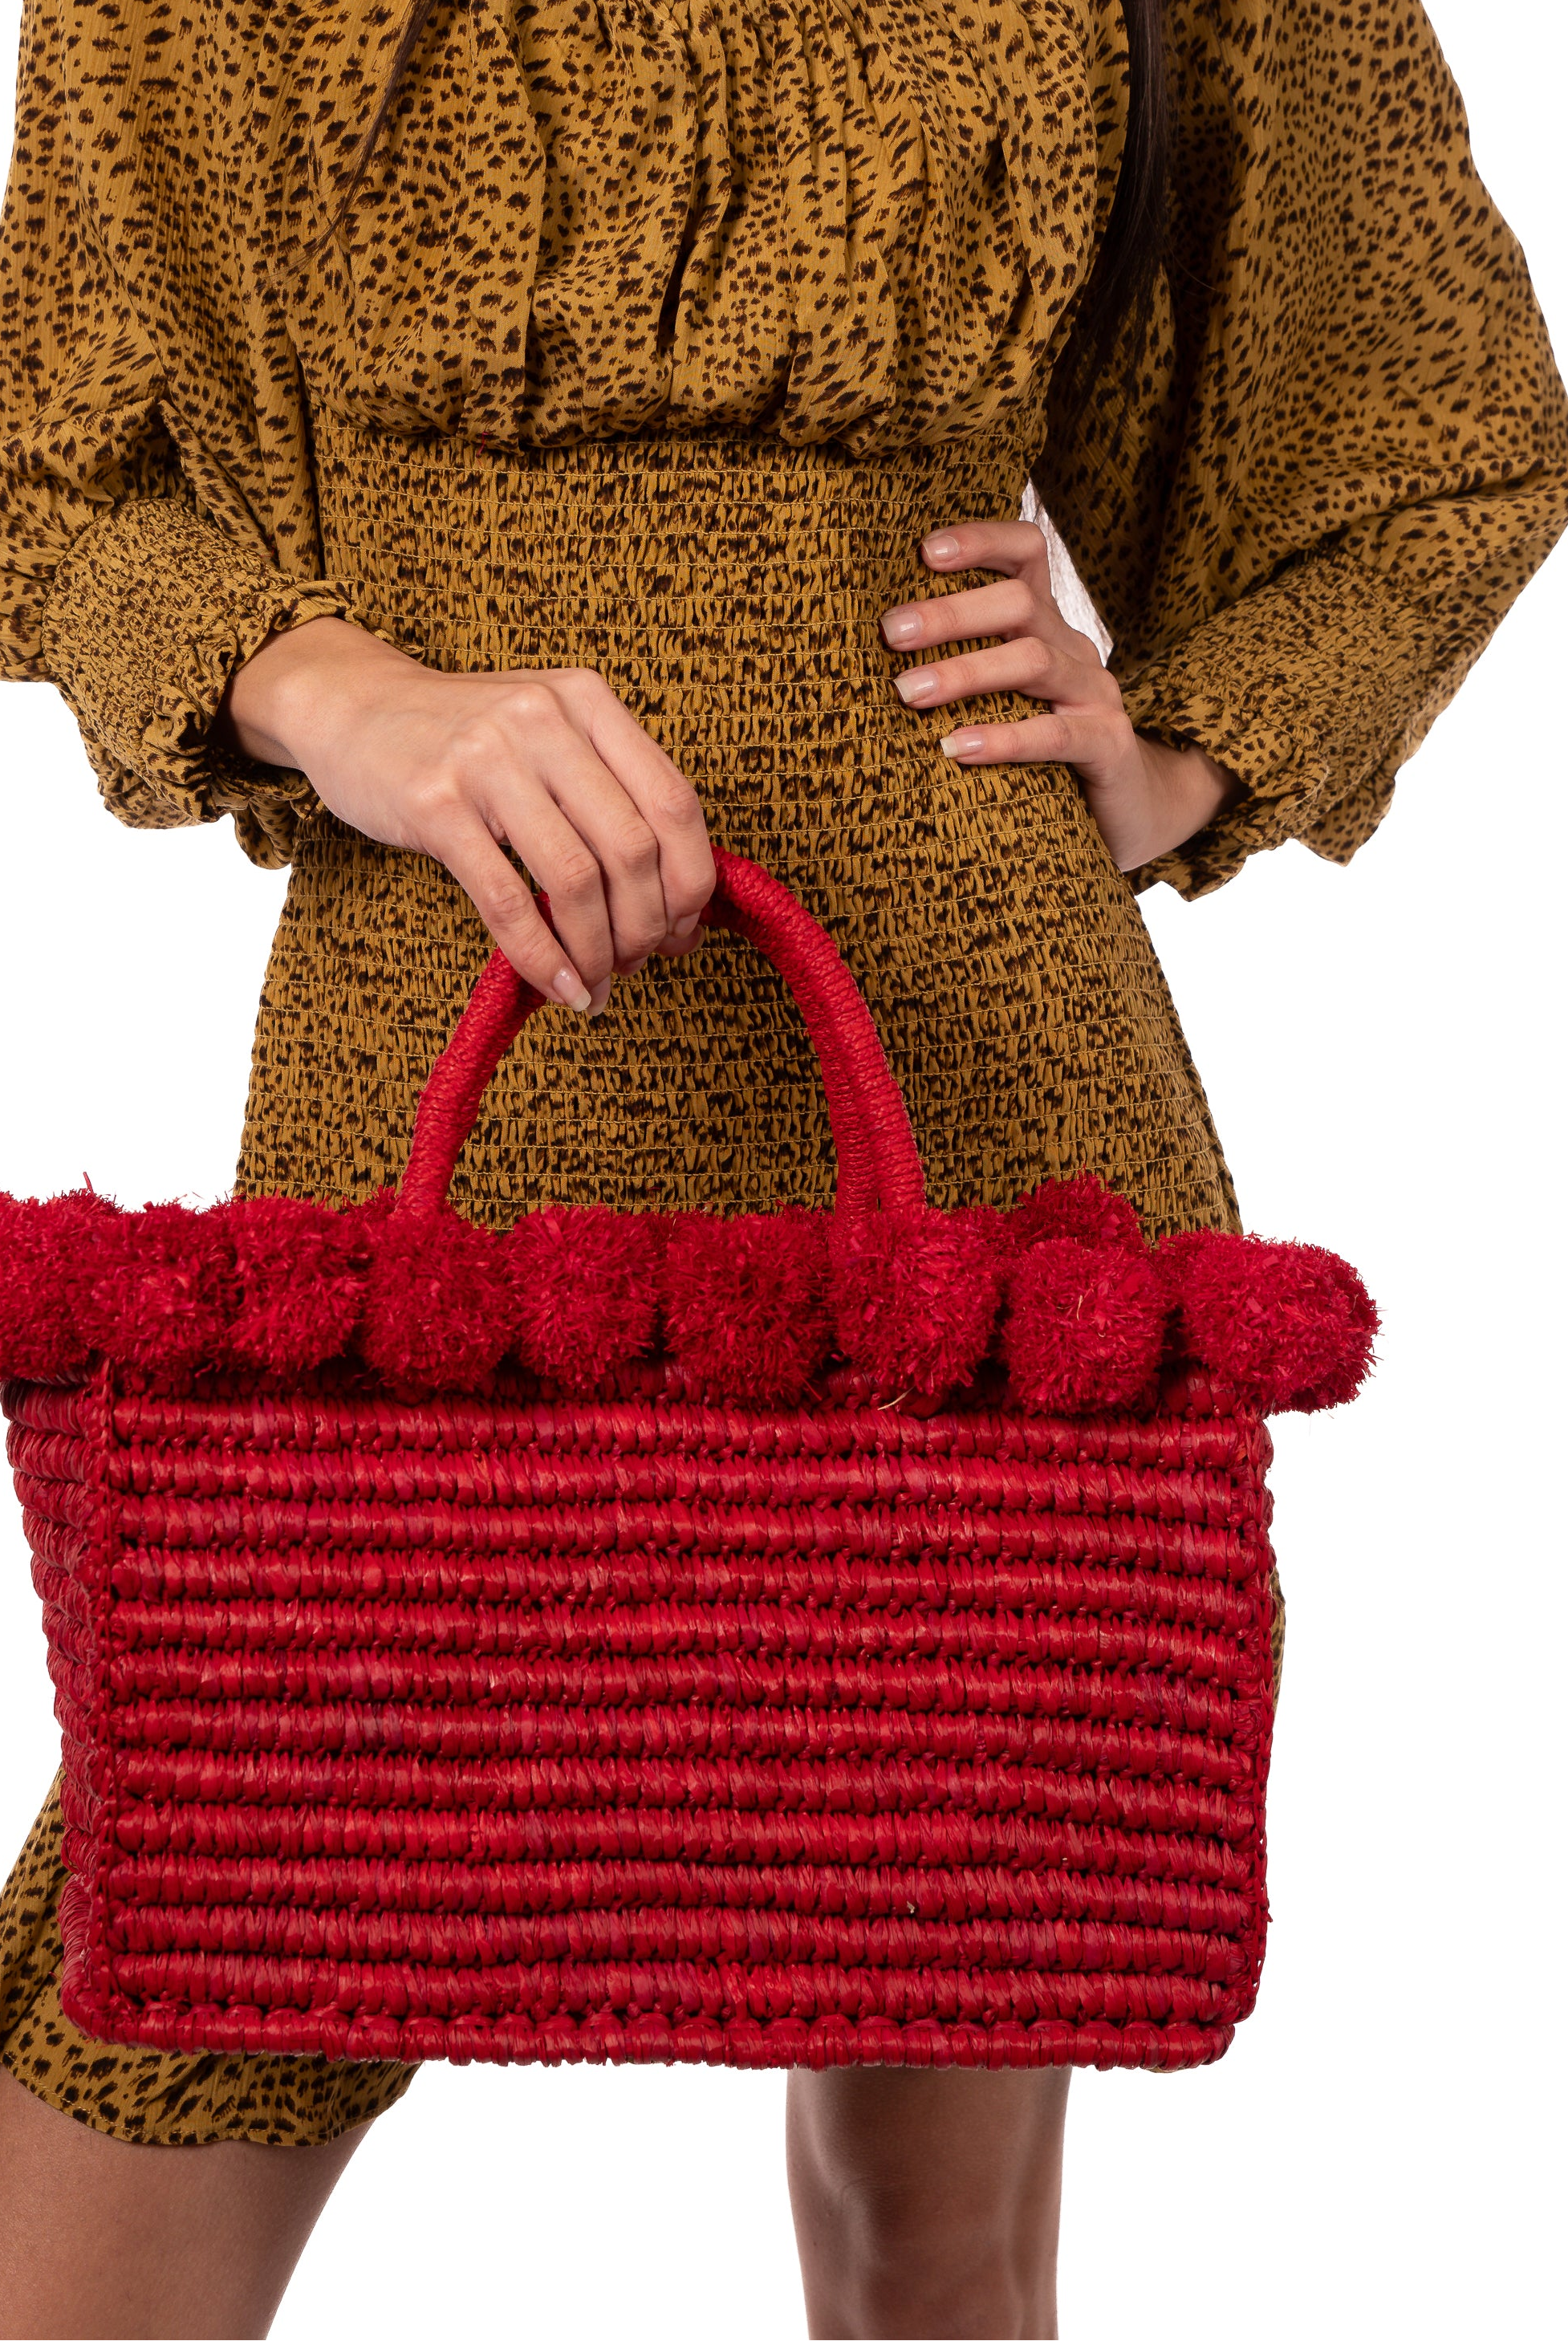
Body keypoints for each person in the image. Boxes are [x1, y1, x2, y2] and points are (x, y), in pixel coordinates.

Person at [0, 0, 1562, 2334]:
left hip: (975, 1068)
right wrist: (347, 697)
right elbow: (53, 455)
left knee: (939, 2201)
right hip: (459, 1046)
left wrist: (1194, 753)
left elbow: (1423, 422)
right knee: (219, 1940)